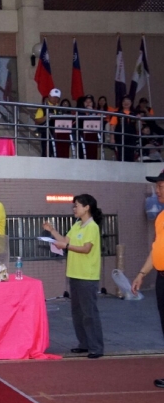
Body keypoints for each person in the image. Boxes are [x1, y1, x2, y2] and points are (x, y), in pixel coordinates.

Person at [43, 194, 104, 359]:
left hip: (87, 275)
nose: (74, 208)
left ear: (87, 207)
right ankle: (84, 344)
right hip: (75, 273)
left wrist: (66, 246)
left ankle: (96, 347)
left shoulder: (92, 227)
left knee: (89, 313)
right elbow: (65, 240)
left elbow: (86, 248)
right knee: (77, 313)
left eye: (77, 205)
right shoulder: (77, 224)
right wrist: (52, 231)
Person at [132, 169, 164, 388]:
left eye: (161, 186)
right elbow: (156, 250)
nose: (157, 190)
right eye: (157, 186)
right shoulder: (161, 217)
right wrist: (142, 273)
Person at [34, 88, 62, 158]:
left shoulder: (60, 108)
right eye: (54, 97)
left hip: (58, 134)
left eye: (57, 98)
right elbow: (37, 121)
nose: (55, 99)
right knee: (46, 151)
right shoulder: (43, 107)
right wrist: (46, 117)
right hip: (46, 133)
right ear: (49, 96)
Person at [111, 96, 138, 162]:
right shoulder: (117, 114)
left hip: (131, 138)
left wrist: (138, 119)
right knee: (121, 156)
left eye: (128, 101)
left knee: (131, 156)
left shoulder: (134, 114)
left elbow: (138, 127)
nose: (126, 103)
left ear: (131, 103)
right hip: (120, 138)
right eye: (124, 101)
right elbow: (112, 127)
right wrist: (112, 138)